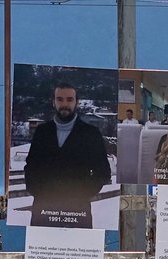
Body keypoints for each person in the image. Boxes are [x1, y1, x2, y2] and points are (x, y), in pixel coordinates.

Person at [23, 80, 112, 227]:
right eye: (60, 99)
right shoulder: (42, 132)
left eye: (70, 99)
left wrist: (82, 193)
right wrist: (38, 191)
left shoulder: (91, 134)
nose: (65, 104)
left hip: (77, 212)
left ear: (77, 102)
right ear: (53, 102)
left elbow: (103, 172)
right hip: (44, 211)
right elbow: (31, 166)